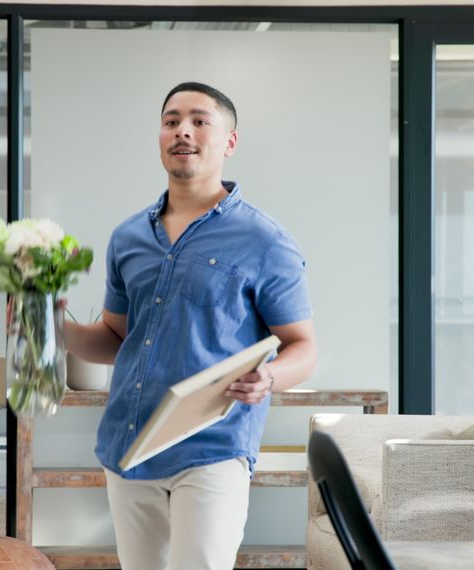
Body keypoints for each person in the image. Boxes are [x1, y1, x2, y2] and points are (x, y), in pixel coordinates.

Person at [63, 81, 318, 570]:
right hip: (128, 445)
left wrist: (268, 377)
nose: (183, 131)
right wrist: (48, 325)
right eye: (171, 120)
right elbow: (115, 339)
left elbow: (302, 348)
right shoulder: (128, 236)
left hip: (212, 449)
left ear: (229, 141)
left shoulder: (266, 240)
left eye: (200, 121)